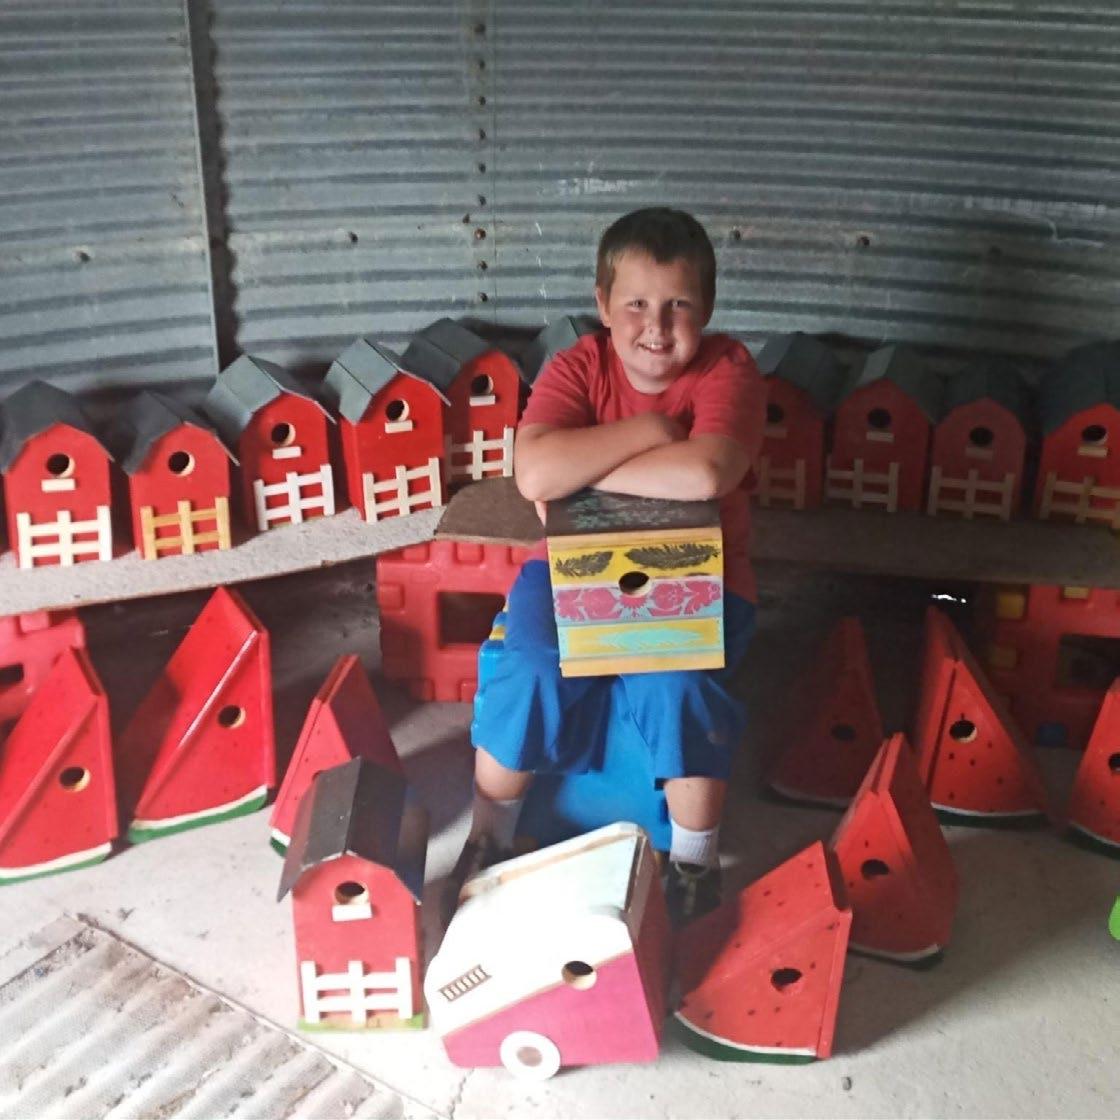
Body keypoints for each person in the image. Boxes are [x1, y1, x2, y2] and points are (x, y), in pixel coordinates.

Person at [447, 207, 765, 925]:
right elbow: (534, 474)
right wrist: (652, 430)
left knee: (677, 679)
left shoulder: (729, 369)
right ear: (602, 304)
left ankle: (693, 859)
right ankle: (489, 835)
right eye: (637, 305)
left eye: (679, 305)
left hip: (701, 574)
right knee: (529, 666)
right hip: (569, 569)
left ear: (708, 308)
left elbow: (707, 473)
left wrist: (581, 473)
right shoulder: (578, 365)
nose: (657, 326)